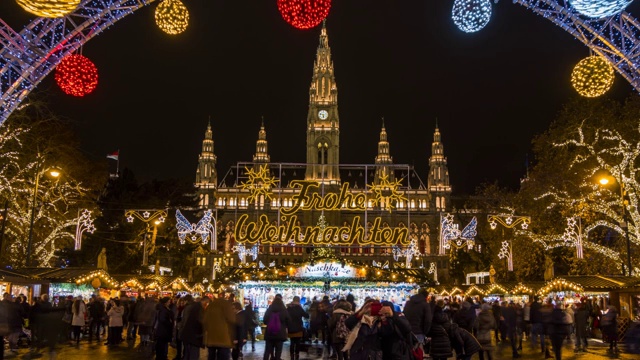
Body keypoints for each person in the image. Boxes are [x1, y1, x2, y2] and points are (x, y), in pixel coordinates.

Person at [204, 292, 236, 360]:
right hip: (223, 337)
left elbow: (204, 320)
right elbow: (232, 319)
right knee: (223, 356)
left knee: (211, 355)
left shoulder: (211, 305)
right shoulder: (226, 305)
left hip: (211, 336)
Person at [263, 296, 290, 360]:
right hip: (280, 334)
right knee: (278, 351)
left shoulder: (269, 309)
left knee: (267, 351)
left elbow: (265, 321)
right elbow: (288, 321)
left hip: (269, 333)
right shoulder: (284, 310)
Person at [180, 295, 205, 360]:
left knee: (187, 352)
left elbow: (185, 320)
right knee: (192, 353)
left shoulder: (189, 307)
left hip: (189, 333)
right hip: (193, 335)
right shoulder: (196, 308)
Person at [287, 296, 309, 360]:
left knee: (292, 342)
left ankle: (291, 355)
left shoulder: (289, 308)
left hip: (290, 327)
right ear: (298, 301)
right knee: (297, 342)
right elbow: (306, 315)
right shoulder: (299, 308)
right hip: (299, 328)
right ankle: (297, 355)